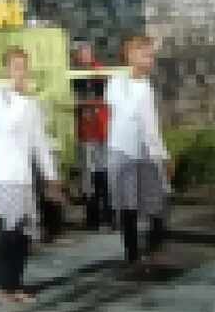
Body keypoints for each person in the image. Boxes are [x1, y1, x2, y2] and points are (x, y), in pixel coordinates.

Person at [0, 46, 61, 303]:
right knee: (11, 227)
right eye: (16, 67)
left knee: (24, 230)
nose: (21, 72)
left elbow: (39, 141)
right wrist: (23, 98)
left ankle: (16, 284)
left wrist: (51, 175)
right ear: (6, 69)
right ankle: (3, 285)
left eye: (24, 67)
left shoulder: (30, 103)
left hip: (21, 174)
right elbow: (7, 124)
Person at [105, 35, 172, 272]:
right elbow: (131, 113)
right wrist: (162, 155)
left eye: (151, 55)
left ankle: (155, 249)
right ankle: (132, 252)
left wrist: (161, 154)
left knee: (156, 201)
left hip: (146, 150)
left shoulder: (146, 86)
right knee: (127, 203)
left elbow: (151, 125)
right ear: (131, 55)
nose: (150, 60)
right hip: (123, 149)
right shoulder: (117, 82)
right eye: (145, 55)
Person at [72, 40, 112, 230]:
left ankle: (109, 212)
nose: (83, 55)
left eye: (86, 51)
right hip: (85, 131)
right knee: (88, 174)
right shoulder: (75, 74)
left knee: (103, 170)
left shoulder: (99, 71)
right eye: (80, 53)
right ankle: (93, 216)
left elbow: (103, 97)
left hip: (100, 129)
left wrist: (86, 104)